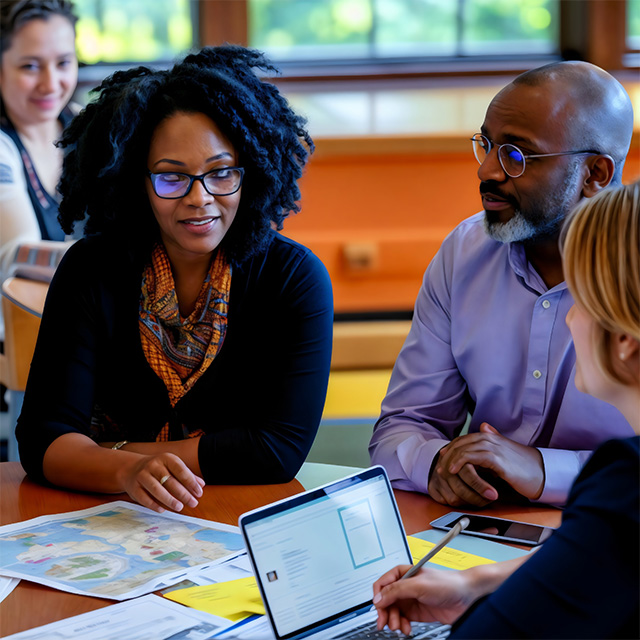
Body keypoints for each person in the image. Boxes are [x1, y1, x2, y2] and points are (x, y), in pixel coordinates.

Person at [15, 45, 334, 513]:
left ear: (251, 174)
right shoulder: (91, 269)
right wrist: (125, 472)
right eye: (171, 178)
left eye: (221, 173)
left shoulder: (293, 278)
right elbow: (43, 442)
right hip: (96, 518)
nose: (199, 198)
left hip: (232, 520)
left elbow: (274, 452)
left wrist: (104, 454)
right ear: (134, 182)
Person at [373, 180, 639, 638]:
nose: (566, 315)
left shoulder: (625, 486)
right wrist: (477, 583)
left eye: (583, 297)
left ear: (625, 342)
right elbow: (587, 563)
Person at [369, 61, 635, 508]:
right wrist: (437, 464)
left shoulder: (633, 274)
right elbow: (404, 425)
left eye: (516, 155)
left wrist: (543, 469)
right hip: (477, 532)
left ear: (595, 175)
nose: (487, 171)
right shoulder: (465, 252)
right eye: (487, 145)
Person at [0, 0, 79, 283]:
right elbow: (15, 256)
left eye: (63, 63)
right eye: (30, 66)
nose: (50, 83)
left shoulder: (92, 126)